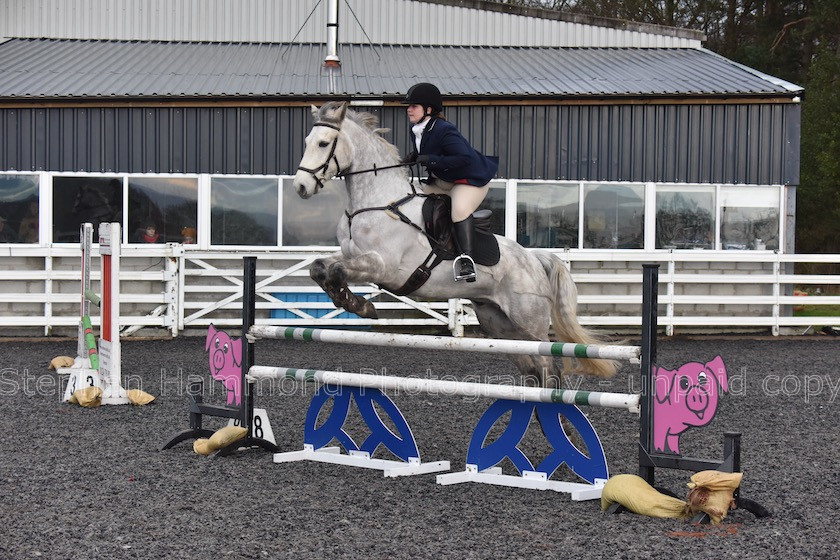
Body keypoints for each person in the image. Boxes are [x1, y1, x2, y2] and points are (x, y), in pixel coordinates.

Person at [401, 82, 498, 282]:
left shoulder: (444, 129)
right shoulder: (417, 129)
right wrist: (413, 157)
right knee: (412, 198)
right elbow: (428, 151)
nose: (409, 109)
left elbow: (464, 158)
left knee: (459, 210)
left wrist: (430, 160)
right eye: (408, 106)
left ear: (428, 110)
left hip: (470, 181)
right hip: (443, 181)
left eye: (414, 106)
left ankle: (467, 261)